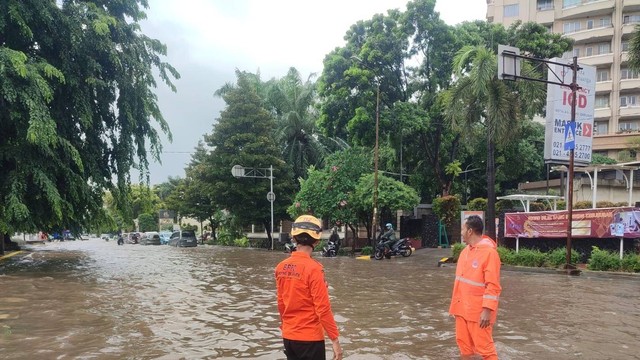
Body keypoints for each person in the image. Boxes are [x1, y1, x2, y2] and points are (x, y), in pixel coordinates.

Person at [275, 215, 343, 360]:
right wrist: (335, 340)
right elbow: (323, 309)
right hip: (309, 339)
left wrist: (285, 327)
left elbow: (281, 303)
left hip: (288, 336)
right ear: (317, 241)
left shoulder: (280, 267)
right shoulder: (314, 269)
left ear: (293, 238)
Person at [449, 215, 501, 360]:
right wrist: (455, 307)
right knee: (464, 348)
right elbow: (461, 282)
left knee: (486, 350)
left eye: (462, 228)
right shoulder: (465, 252)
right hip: (461, 310)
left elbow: (493, 286)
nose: (461, 232)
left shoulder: (490, 254)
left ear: (470, 231)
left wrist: (486, 311)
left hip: (478, 313)